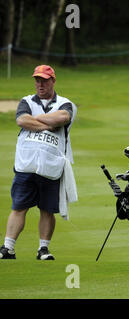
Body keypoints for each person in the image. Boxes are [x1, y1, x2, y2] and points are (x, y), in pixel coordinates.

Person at [0, 65, 77, 260]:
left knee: (47, 209)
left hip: (51, 166)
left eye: (44, 80)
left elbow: (63, 117)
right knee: (19, 207)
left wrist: (37, 121)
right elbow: (21, 120)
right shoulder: (26, 100)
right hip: (26, 164)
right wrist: (47, 124)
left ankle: (43, 249)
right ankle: (8, 248)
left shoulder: (65, 103)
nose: (40, 84)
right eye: (37, 80)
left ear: (53, 81)